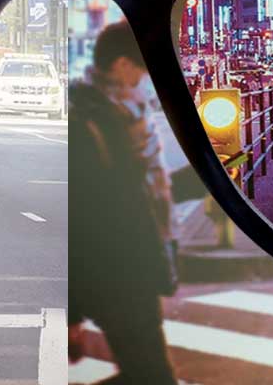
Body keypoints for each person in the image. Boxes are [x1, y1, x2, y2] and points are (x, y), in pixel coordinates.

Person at [67, 21, 176, 385]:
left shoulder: (121, 112)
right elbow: (82, 217)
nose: (145, 77)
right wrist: (72, 314)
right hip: (116, 274)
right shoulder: (91, 118)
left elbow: (136, 190)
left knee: (149, 375)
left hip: (133, 269)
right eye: (142, 68)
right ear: (122, 66)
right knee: (153, 377)